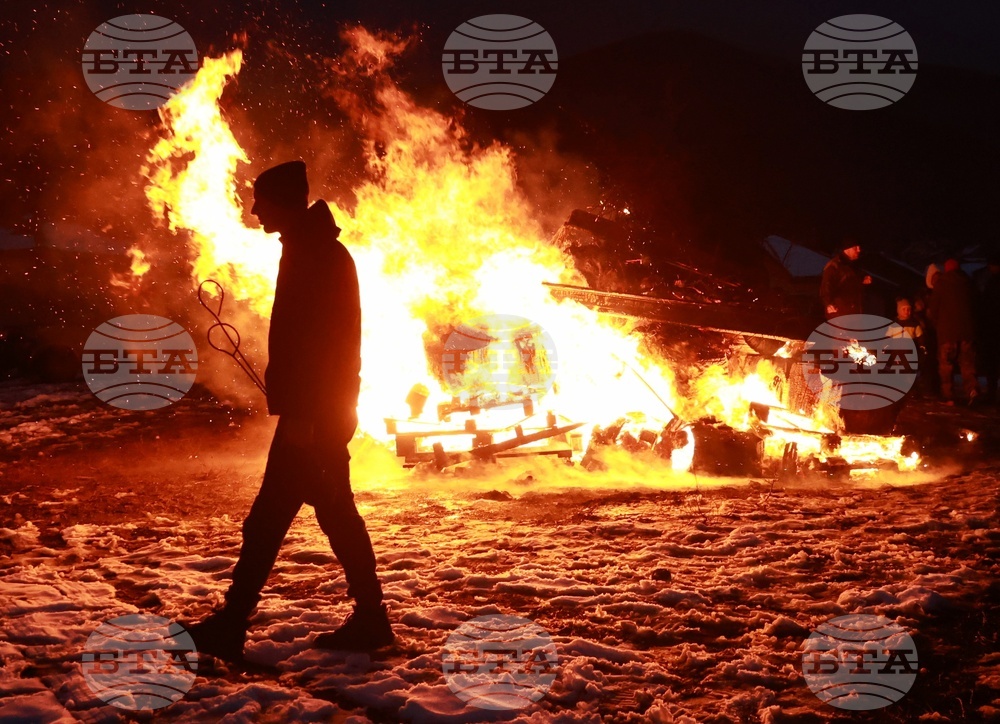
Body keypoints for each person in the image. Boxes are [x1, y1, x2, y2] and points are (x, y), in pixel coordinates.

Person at [188, 161, 392, 659]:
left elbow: (326, 345)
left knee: (275, 520)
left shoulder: (317, 255)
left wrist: (305, 415)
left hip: (315, 417)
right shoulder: (308, 249)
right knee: (329, 516)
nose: (254, 209)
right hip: (319, 413)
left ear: (283, 202)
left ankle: (234, 624)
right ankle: (370, 620)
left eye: (262, 200)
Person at [928, 258, 979, 405]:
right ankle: (972, 390)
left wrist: (937, 324)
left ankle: (949, 396)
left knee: (946, 365)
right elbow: (977, 306)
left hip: (947, 332)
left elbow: (934, 308)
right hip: (967, 332)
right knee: (967, 363)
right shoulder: (969, 283)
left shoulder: (941, 284)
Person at [820, 239, 871, 319]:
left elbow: (852, 284)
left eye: (859, 247)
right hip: (840, 314)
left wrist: (863, 279)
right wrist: (829, 304)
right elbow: (826, 287)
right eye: (855, 247)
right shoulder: (834, 267)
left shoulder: (854, 266)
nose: (859, 250)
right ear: (847, 249)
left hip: (854, 315)